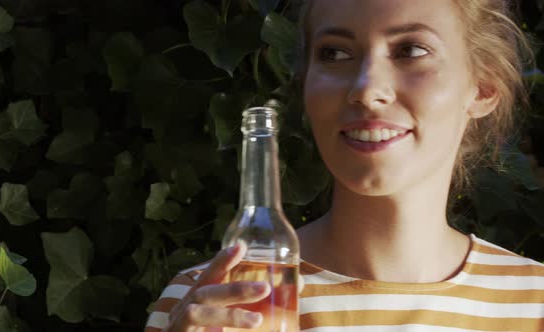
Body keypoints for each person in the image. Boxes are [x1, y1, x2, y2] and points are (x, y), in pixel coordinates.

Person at [146, 0, 544, 330]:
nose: (367, 89)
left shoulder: (535, 304)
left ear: (484, 86)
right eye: (334, 53)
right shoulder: (204, 303)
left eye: (411, 50)